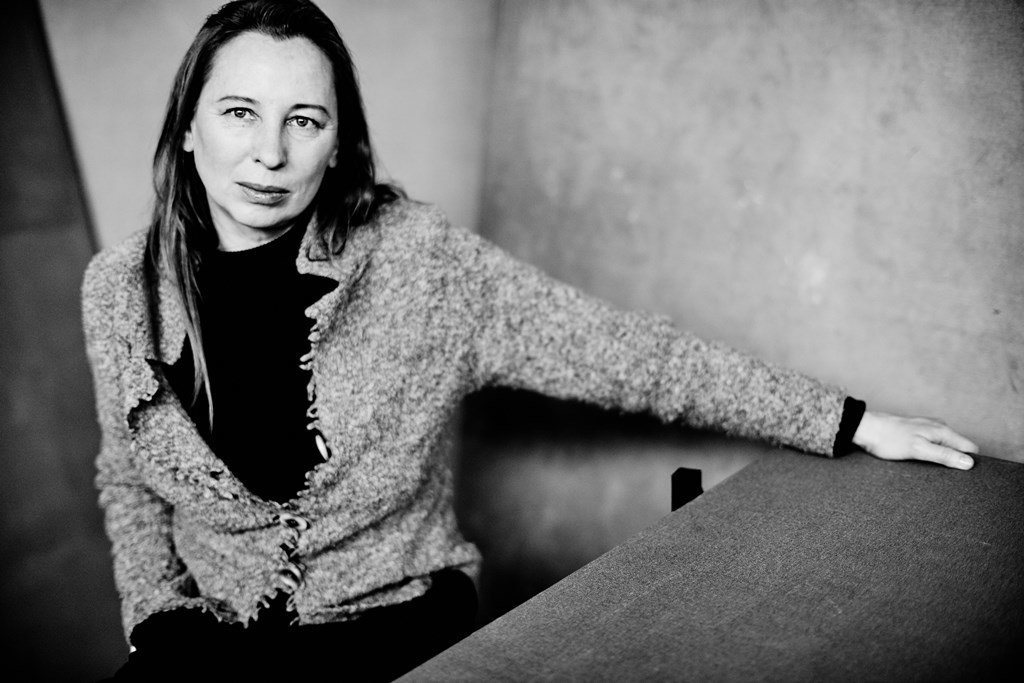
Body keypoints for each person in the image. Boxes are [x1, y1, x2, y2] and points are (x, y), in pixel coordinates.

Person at [81, 0, 980, 679]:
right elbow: (127, 474)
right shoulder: (119, 290)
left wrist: (847, 418)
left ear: (338, 143)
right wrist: (155, 617)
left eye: (304, 120)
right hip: (211, 638)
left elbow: (635, 356)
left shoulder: (422, 265)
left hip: (393, 626)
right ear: (189, 127)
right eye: (240, 112)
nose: (270, 153)